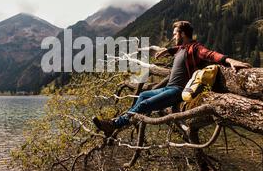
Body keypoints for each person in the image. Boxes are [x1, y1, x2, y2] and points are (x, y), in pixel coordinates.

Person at [93, 21, 251, 136]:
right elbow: (176, 49)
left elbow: (210, 54)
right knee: (142, 95)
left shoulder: (195, 49)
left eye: (175, 34)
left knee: (145, 104)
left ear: (182, 34)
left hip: (178, 91)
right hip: (168, 87)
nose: (173, 36)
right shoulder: (181, 48)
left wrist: (230, 61)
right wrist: (166, 51)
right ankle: (126, 120)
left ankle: (114, 124)